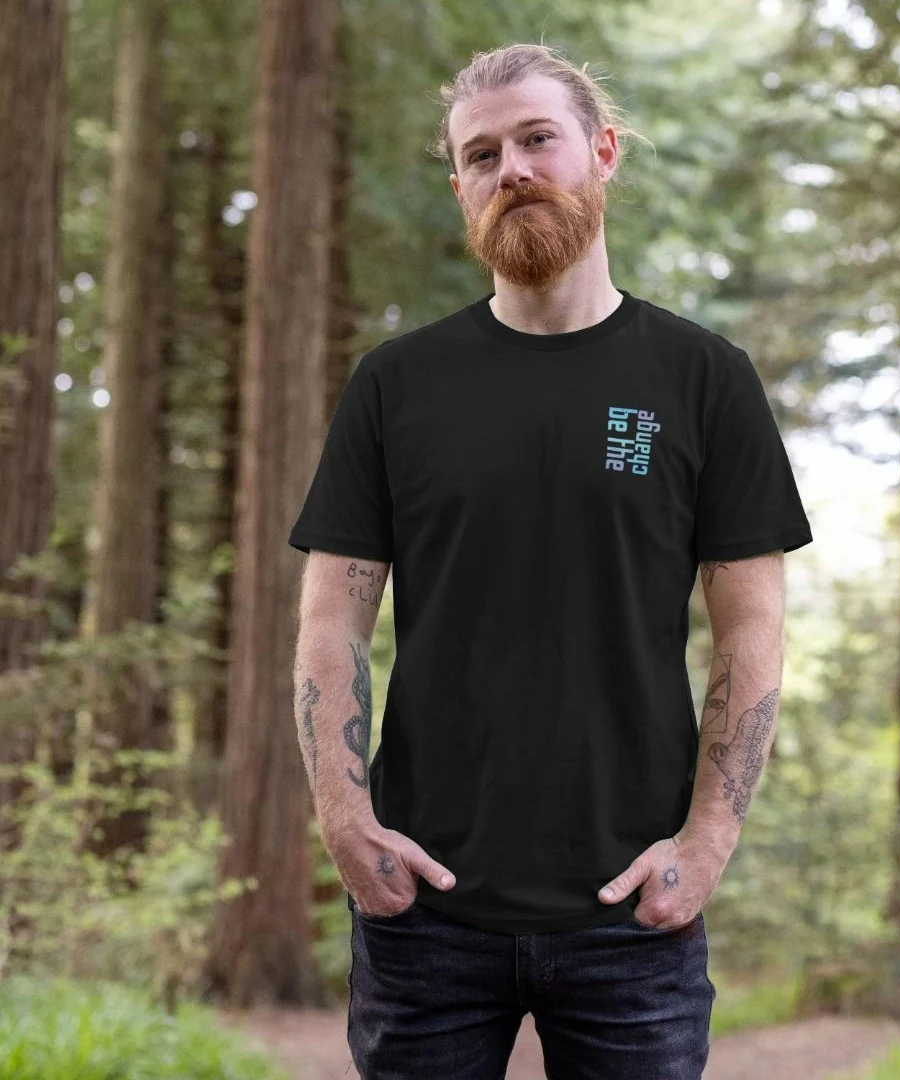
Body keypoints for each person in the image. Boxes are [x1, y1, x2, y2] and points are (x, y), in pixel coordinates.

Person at [288, 41, 813, 1080]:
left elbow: (751, 629)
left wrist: (706, 844)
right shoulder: (396, 385)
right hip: (422, 906)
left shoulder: (705, 378)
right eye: (481, 155)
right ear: (460, 188)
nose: (513, 169)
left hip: (633, 910)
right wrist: (346, 822)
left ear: (602, 152)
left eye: (538, 139)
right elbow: (331, 618)